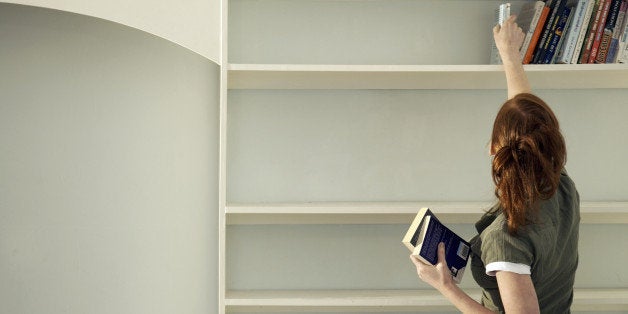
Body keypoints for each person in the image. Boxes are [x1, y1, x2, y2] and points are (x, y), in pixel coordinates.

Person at [409, 15, 580, 314]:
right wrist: (510, 55)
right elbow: (527, 117)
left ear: (492, 149)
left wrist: (446, 287)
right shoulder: (558, 184)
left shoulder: (507, 239)